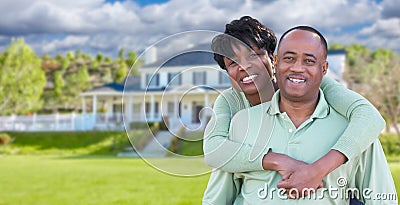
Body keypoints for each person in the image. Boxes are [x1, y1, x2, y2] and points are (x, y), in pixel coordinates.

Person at [202, 16, 386, 204]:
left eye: (253, 55)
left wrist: (316, 171)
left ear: (272, 59)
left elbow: (370, 117)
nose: (245, 66)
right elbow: (214, 150)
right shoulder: (233, 110)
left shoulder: (315, 84)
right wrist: (278, 160)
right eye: (233, 62)